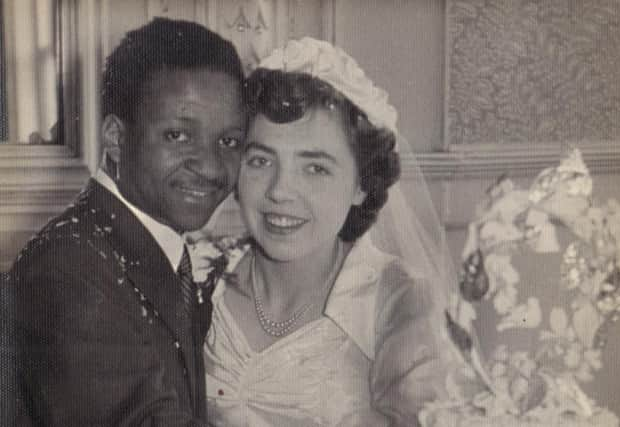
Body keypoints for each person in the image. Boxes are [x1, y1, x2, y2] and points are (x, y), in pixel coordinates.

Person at [202, 38, 477, 426]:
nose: (280, 191)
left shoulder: (401, 302)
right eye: (261, 160)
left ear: (361, 184)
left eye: (315, 168)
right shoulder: (200, 276)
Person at [6, 18, 246, 426]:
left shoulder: (139, 244)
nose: (210, 165)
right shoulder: (68, 271)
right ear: (116, 138)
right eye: (178, 136)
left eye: (228, 142)